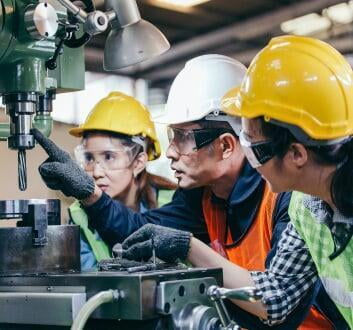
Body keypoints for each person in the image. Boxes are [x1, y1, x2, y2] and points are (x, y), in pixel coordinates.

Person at [32, 55, 334, 328]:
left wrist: (189, 248)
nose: (171, 152)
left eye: (182, 138)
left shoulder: (289, 197)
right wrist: (90, 194)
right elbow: (144, 233)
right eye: (171, 135)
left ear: (226, 145)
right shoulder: (203, 195)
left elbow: (279, 308)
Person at [122, 37, 352, 328]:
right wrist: (187, 246)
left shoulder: (288, 204)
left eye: (253, 144)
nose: (247, 157)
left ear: (296, 154)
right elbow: (275, 297)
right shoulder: (306, 208)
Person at [68, 91, 166, 270]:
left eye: (109, 157)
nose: (97, 172)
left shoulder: (171, 200)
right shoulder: (79, 215)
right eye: (89, 158)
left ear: (138, 162)